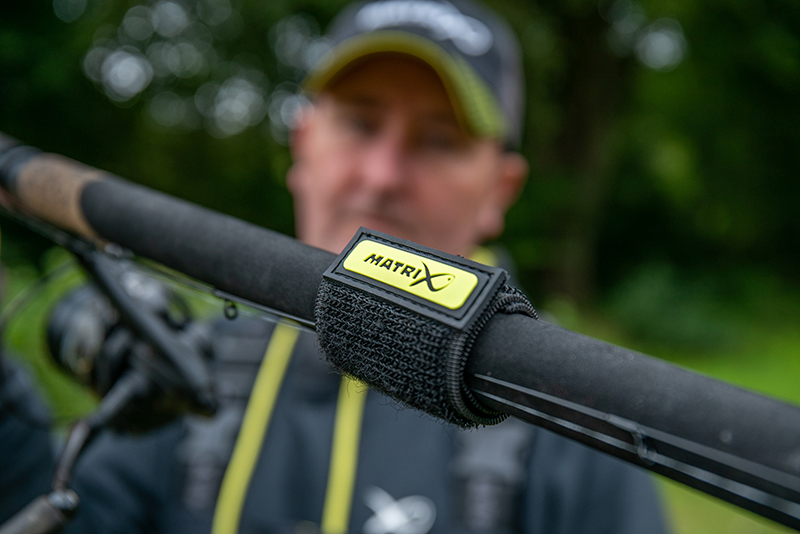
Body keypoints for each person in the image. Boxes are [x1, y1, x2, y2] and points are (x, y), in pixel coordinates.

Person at [1, 0, 668, 533]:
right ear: (302, 145)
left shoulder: (574, 424)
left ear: (501, 189)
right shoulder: (188, 370)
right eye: (360, 124)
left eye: (438, 140)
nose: (381, 176)